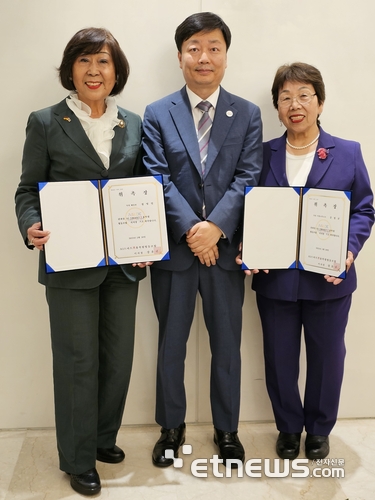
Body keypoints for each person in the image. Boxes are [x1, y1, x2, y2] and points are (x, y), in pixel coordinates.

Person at [15, 28, 146, 496]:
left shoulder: (133, 122)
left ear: (117, 71)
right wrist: (30, 226)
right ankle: (76, 457)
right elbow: (28, 190)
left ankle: (102, 438)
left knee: (117, 359)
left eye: (104, 62)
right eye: (86, 61)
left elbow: (142, 192)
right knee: (77, 361)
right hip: (69, 265)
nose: (95, 71)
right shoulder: (46, 122)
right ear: (71, 69)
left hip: (124, 266)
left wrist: (147, 240)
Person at [142, 12, 263, 468]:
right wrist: (195, 230)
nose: (204, 57)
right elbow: (157, 177)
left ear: (226, 56)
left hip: (225, 252)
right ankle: (170, 429)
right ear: (180, 57)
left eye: (213, 47)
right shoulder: (158, 113)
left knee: (226, 344)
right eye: (194, 48)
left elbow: (248, 176)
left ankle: (227, 430)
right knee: (170, 343)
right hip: (176, 250)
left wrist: (217, 228)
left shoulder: (248, 114)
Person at [248, 62, 374, 460]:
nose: (294, 104)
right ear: (277, 107)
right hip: (276, 279)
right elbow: (246, 209)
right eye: (285, 98)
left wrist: (349, 251)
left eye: (304, 95)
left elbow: (364, 209)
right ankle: (288, 428)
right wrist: (248, 248)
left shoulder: (347, 152)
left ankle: (319, 429)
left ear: (319, 102)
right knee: (279, 356)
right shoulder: (262, 153)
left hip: (328, 278)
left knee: (327, 357)